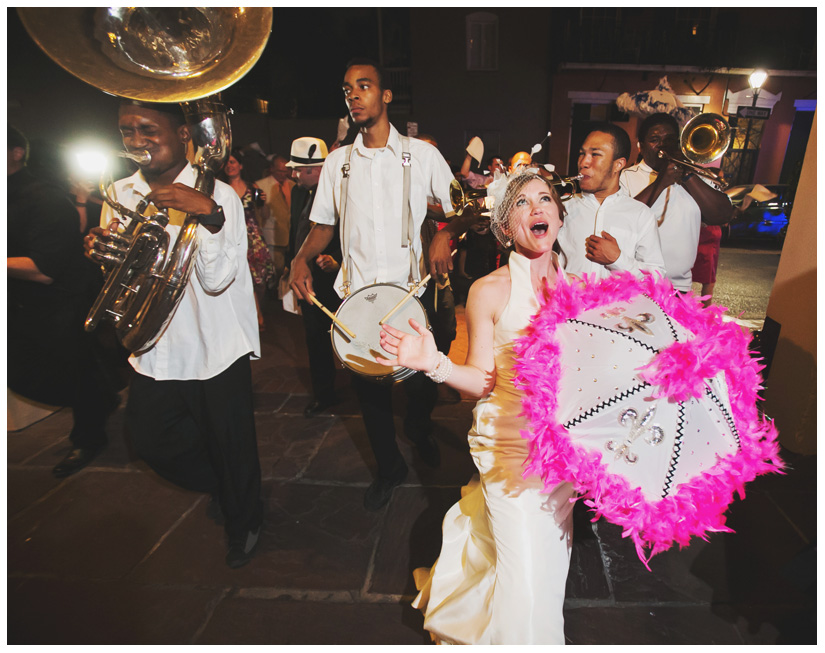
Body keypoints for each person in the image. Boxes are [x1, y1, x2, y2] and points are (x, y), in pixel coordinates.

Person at [376, 171, 576, 644]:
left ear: (560, 216)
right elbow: (481, 382)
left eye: (545, 199)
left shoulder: (579, 288)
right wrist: (434, 364)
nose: (537, 208)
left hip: (564, 462)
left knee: (545, 581)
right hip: (510, 455)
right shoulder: (490, 290)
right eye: (522, 203)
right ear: (505, 228)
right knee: (525, 595)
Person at [289, 58, 478, 511]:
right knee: (369, 392)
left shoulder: (422, 155)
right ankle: (390, 468)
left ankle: (417, 428)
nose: (353, 95)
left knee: (420, 385)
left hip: (410, 294)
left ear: (385, 95)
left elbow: (464, 209)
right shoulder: (338, 163)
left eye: (364, 86)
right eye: (347, 89)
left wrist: (444, 235)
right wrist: (299, 257)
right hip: (356, 299)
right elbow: (323, 226)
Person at [84, 101, 263, 568]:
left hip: (215, 342)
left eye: (148, 129)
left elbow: (219, 277)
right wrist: (103, 250)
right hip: (155, 343)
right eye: (127, 132)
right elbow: (122, 273)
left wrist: (210, 216)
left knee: (233, 443)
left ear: (182, 133)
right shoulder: (120, 191)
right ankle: (224, 483)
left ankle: (245, 522)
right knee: (149, 439)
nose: (137, 141)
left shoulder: (219, 193)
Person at [8, 125, 121, 478]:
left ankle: (89, 437)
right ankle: (105, 395)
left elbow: (45, 270)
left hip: (60, 306)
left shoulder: (43, 198)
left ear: (17, 153)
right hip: (23, 304)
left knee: (75, 371)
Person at [619, 113, 733, 293]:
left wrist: (688, 175)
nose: (663, 145)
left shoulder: (695, 176)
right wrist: (661, 183)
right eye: (654, 140)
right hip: (635, 283)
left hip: (679, 287)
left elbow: (723, 214)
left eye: (670, 139)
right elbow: (622, 222)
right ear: (640, 145)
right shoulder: (626, 177)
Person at [558, 122, 666, 280]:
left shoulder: (641, 215)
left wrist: (618, 260)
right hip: (567, 304)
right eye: (582, 154)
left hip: (622, 305)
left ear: (618, 164)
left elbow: (657, 278)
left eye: (595, 155)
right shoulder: (561, 207)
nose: (583, 163)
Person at [283, 136, 342, 417]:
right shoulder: (297, 193)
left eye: (300, 170)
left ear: (319, 169)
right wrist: (290, 264)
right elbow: (295, 229)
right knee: (314, 338)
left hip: (335, 279)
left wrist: (338, 260)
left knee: (349, 335)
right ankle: (324, 393)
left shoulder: (337, 192)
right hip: (307, 280)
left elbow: (350, 233)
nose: (294, 174)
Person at [220, 148, 274, 330]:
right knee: (241, 277)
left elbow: (264, 215)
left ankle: (257, 311)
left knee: (260, 279)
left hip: (253, 236)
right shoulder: (220, 190)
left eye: (233, 162)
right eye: (227, 162)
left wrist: (263, 203)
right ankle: (255, 316)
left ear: (241, 166)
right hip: (230, 235)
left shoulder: (253, 188)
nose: (230, 166)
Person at [255, 154, 294, 281]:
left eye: (285, 171)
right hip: (272, 237)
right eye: (279, 171)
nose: (283, 174)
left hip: (291, 236)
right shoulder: (260, 185)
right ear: (272, 169)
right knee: (275, 270)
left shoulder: (293, 186)